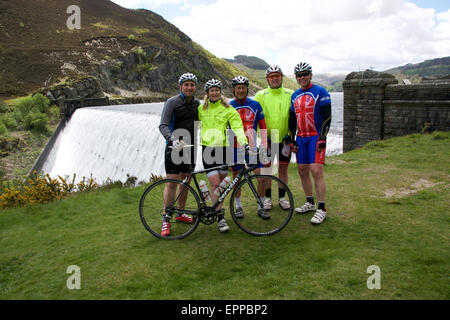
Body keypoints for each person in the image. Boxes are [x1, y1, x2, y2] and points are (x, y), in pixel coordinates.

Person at [198, 79, 248, 232]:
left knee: (222, 186)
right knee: (214, 184)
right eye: (211, 90)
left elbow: (237, 127)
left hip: (223, 150)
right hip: (208, 150)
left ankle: (217, 208)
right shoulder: (201, 109)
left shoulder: (228, 109)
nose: (214, 92)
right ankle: (220, 217)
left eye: (217, 90)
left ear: (220, 92)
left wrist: (244, 142)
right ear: (207, 93)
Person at [289, 62, 332, 224]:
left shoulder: (320, 91)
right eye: (299, 75)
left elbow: (328, 116)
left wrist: (323, 136)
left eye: (305, 74)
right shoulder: (295, 95)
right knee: (302, 170)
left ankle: (322, 208)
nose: (302, 77)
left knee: (316, 170)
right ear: (296, 77)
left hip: (316, 136)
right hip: (301, 137)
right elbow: (292, 119)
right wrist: (292, 138)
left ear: (310, 75)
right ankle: (310, 202)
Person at [158, 73, 200, 236]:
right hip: (174, 147)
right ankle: (166, 218)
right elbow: (163, 125)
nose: (189, 87)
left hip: (190, 147)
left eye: (192, 85)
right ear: (181, 86)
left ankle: (181, 213)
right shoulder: (172, 102)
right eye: (186, 84)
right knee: (171, 183)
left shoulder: (197, 104)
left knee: (186, 180)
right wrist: (172, 139)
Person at [229, 75, 270, 220]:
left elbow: (263, 127)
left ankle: (261, 206)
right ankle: (238, 206)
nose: (241, 90)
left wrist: (264, 145)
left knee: (261, 177)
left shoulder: (255, 105)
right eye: (238, 88)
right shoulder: (228, 106)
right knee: (237, 178)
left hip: (252, 148)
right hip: (234, 148)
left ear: (247, 89)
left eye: (243, 88)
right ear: (233, 90)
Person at [254, 65, 293, 211]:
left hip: (284, 139)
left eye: (277, 75)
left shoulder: (290, 93)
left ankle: (282, 198)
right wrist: (261, 139)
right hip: (267, 139)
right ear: (267, 79)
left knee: (283, 169)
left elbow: (294, 117)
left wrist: (292, 136)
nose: (275, 78)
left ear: (281, 77)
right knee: (267, 170)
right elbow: (256, 118)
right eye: (272, 76)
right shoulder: (260, 95)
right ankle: (268, 198)